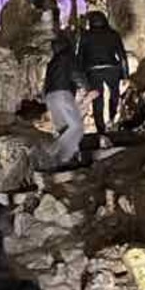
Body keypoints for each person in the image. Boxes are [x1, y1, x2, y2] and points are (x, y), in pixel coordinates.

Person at [42, 28, 91, 170]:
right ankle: (52, 150)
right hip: (62, 93)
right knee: (76, 127)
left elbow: (46, 83)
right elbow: (76, 74)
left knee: (64, 129)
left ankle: (65, 160)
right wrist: (87, 88)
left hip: (50, 96)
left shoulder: (53, 61)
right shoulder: (68, 57)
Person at [76, 10, 129, 136]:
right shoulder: (113, 34)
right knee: (114, 95)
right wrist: (125, 75)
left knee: (97, 100)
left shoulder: (86, 36)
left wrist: (81, 76)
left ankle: (101, 129)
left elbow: (80, 57)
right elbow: (122, 56)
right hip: (112, 69)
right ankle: (112, 118)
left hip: (93, 70)